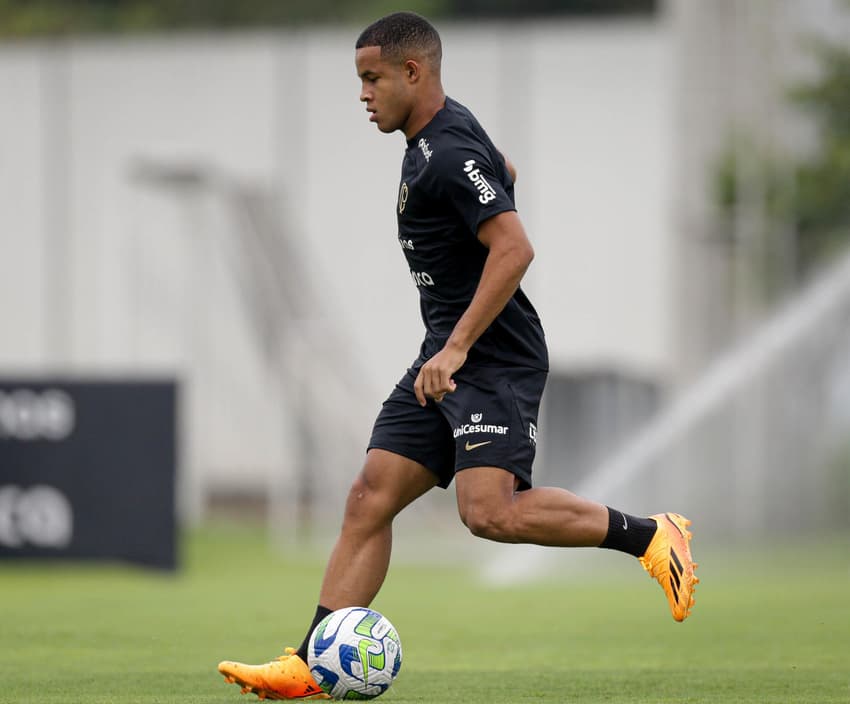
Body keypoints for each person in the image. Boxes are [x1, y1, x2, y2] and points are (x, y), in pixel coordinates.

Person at [218, 11, 698, 701]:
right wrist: (445, 346)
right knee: (368, 497)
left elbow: (515, 247)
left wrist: (458, 345)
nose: (363, 94)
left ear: (413, 73)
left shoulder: (445, 153)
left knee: (491, 514)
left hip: (489, 360)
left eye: (372, 78)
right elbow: (501, 170)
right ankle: (310, 665)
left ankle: (653, 535)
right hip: (442, 356)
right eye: (361, 80)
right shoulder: (439, 138)